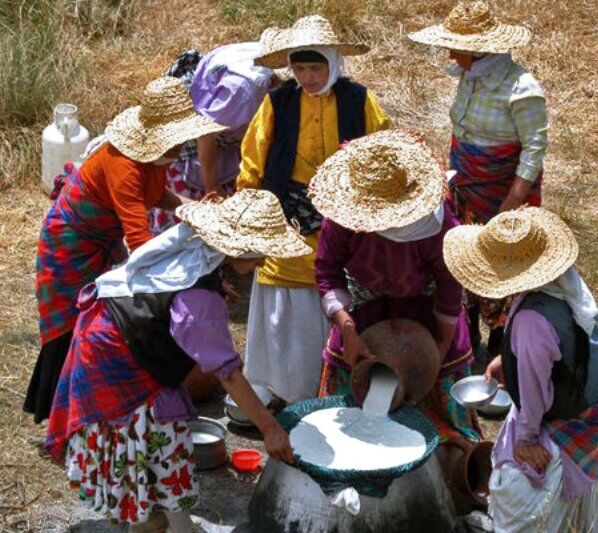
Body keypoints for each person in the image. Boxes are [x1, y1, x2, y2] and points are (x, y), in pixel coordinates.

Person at [45, 189, 305, 532]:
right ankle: (154, 520)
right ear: (238, 249)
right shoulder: (200, 300)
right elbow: (226, 372)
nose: (260, 264)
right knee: (152, 433)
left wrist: (215, 287)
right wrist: (270, 428)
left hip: (106, 332)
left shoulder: (192, 250)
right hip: (117, 357)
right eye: (259, 256)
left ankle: (153, 517)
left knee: (149, 439)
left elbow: (167, 287)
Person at [24, 77, 228, 423]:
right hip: (72, 245)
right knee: (71, 324)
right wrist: (192, 278)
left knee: (99, 316)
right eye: (178, 139)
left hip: (102, 240)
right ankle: (62, 410)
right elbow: (140, 243)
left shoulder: (155, 157)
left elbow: (157, 194)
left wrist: (193, 208)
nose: (184, 145)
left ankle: (89, 400)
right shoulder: (125, 164)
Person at [236, 15, 391, 405]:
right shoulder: (277, 102)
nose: (307, 76)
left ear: (332, 63)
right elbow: (253, 159)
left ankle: (334, 385)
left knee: (336, 289)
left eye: (315, 67)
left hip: (344, 214)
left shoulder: (360, 101)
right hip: (287, 214)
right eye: (299, 68)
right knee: (285, 301)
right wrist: (250, 211)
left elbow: (384, 148)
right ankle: (285, 387)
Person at [442, 208, 598, 532]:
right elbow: (560, 345)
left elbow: (534, 392)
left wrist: (526, 440)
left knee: (517, 483)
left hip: (577, 409)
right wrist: (508, 359)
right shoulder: (558, 286)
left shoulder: (530, 322)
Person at [311, 129, 481, 444]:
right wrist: (346, 326)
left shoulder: (435, 222)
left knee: (437, 426)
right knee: (346, 429)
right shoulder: (343, 215)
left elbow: (448, 284)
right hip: (364, 312)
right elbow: (327, 269)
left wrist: (435, 354)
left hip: (426, 314)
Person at [408, 1, 548, 356]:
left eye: (454, 45)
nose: (449, 51)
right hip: (464, 187)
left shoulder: (521, 88)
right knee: (465, 256)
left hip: (502, 193)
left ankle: (504, 338)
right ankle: (467, 327)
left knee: (502, 262)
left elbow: (533, 150)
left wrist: (511, 203)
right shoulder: (469, 76)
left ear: (476, 49)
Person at [149, 39, 279, 233]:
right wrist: (212, 189)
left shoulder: (269, 62)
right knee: (197, 222)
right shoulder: (242, 93)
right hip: (200, 133)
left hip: (218, 119)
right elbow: (205, 134)